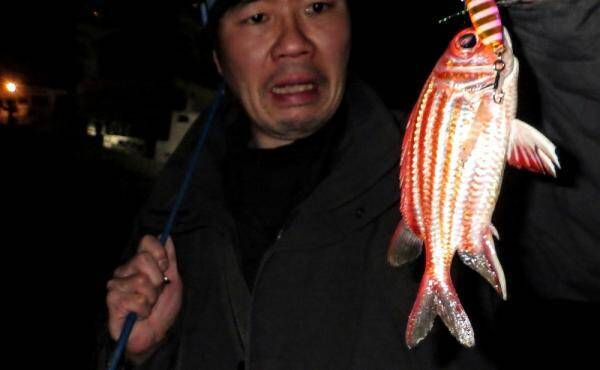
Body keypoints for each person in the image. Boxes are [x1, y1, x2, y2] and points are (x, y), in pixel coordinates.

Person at [96, 1, 508, 369]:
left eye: (317, 8)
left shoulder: (452, 152)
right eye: (257, 17)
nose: (293, 43)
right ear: (218, 57)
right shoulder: (173, 206)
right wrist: (145, 355)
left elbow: (566, 252)